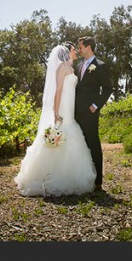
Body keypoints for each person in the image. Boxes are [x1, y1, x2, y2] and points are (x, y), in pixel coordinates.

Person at [14, 43, 96, 196]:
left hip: (70, 107)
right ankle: (49, 175)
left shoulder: (71, 68)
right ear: (67, 52)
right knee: (60, 133)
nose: (76, 52)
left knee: (71, 134)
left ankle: (69, 174)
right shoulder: (62, 67)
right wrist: (56, 111)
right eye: (73, 50)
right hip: (63, 106)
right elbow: (57, 90)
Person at [74, 36, 115, 192]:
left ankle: (98, 181)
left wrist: (95, 105)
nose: (79, 50)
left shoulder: (101, 66)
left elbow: (108, 89)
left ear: (88, 47)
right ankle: (83, 177)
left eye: (80, 47)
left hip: (90, 113)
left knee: (93, 144)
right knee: (79, 144)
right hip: (76, 113)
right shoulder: (78, 67)